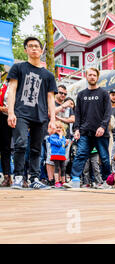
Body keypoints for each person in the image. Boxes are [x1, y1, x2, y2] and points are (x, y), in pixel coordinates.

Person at [7, 36, 57, 190]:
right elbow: (12, 90)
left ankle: (34, 178)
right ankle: (18, 177)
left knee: (36, 148)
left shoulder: (48, 75)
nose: (34, 48)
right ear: (26, 50)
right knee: (20, 144)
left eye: (36, 46)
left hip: (40, 115)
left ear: (41, 50)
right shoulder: (18, 68)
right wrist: (10, 112)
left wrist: (53, 119)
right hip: (21, 112)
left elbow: (50, 98)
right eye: (30, 46)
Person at [65, 67, 112, 189]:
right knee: (80, 155)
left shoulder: (104, 94)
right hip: (85, 132)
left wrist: (103, 126)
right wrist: (76, 129)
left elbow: (108, 113)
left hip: (100, 133)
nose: (92, 77)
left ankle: (108, 181)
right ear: (86, 76)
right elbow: (78, 114)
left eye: (94, 75)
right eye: (90, 75)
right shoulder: (81, 95)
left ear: (97, 77)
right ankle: (74, 180)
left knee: (104, 158)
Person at [0, 78, 13, 187]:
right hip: (3, 118)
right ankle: (6, 176)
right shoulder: (3, 85)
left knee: (19, 146)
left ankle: (20, 176)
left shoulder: (19, 84)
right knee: (5, 148)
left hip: (18, 117)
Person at [47, 121, 67, 188]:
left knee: (63, 168)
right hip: (55, 155)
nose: (59, 129)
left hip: (62, 155)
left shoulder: (63, 137)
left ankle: (63, 181)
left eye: (60, 127)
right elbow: (59, 143)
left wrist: (62, 139)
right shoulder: (52, 137)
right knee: (57, 168)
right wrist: (61, 137)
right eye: (57, 127)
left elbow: (63, 145)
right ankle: (57, 182)